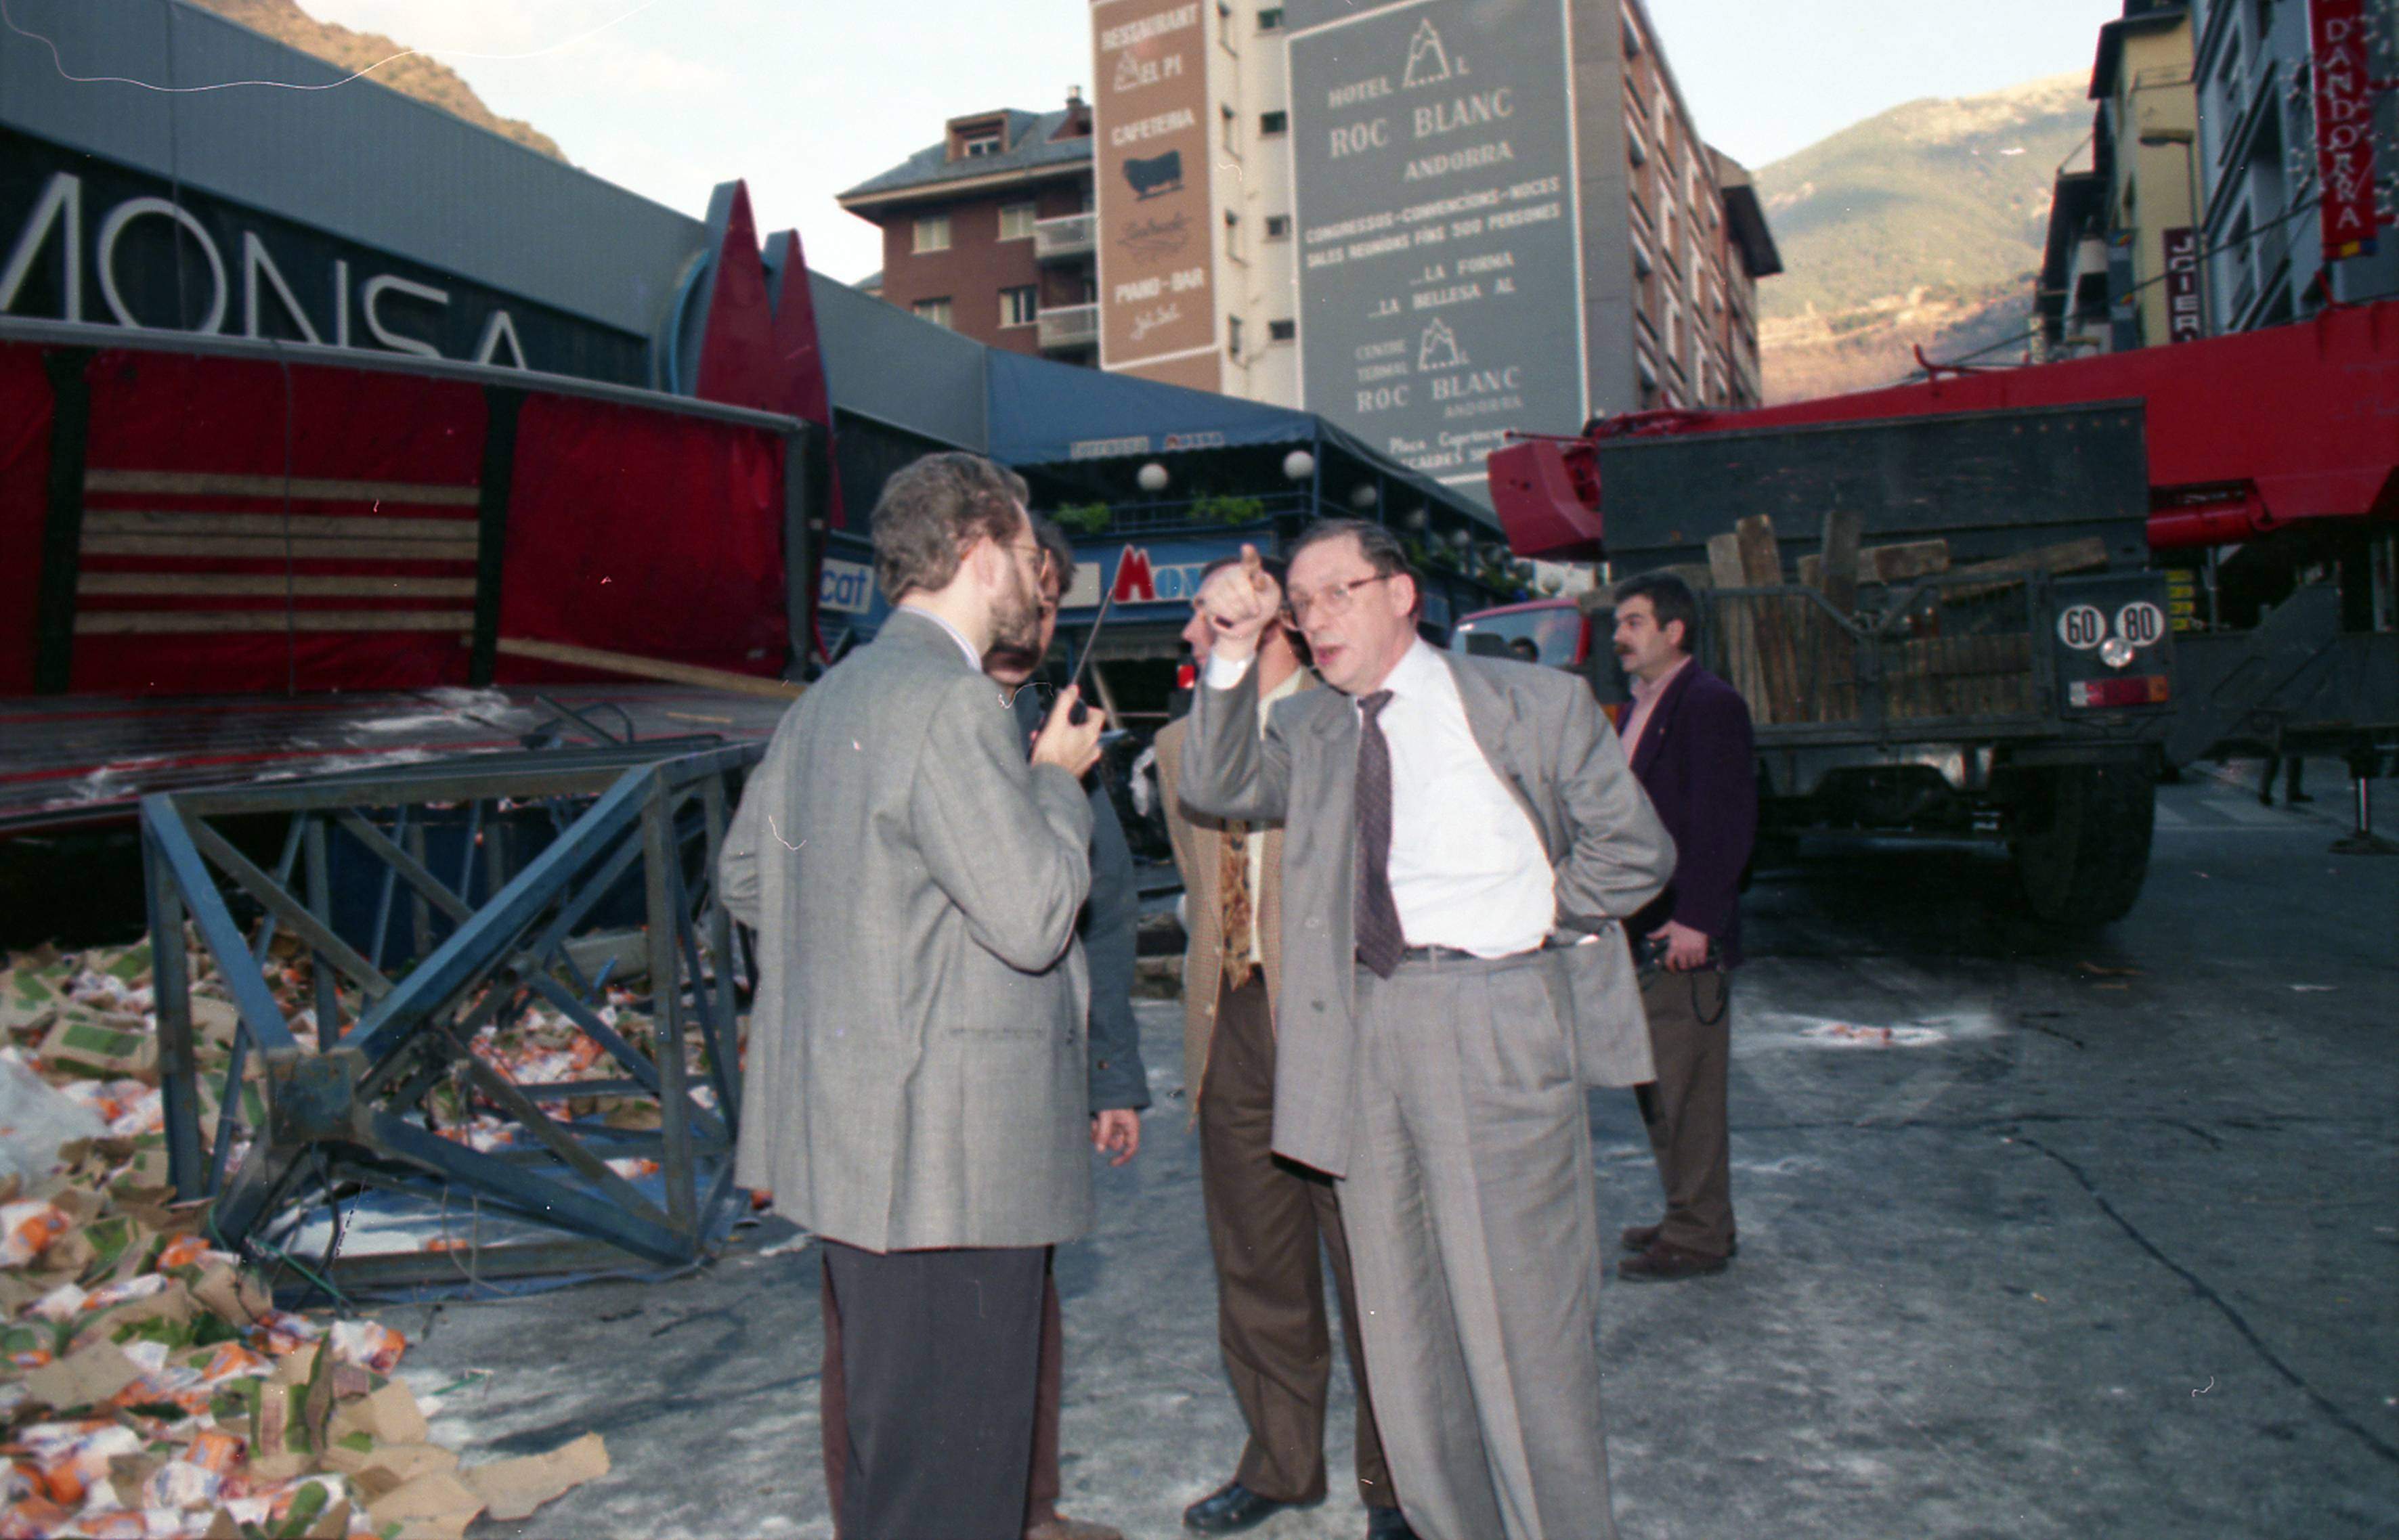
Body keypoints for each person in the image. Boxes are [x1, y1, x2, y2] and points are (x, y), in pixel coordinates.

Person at [1177, 521, 1675, 1540]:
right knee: (1402, 1333)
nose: (1314, 619)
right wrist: (1231, 650)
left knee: (1520, 1328)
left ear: (1401, 593)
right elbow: (1215, 785)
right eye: (1299, 602)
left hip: (1492, 1013)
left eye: (1337, 592)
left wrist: (1537, 918)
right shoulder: (1312, 731)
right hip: (1355, 1028)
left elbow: (1635, 850)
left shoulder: (1530, 702)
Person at [719, 452, 1106, 1540]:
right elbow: (1032, 912)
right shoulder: (949, 703)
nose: (1036, 577)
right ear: (980, 544)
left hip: (856, 1153)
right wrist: (1053, 782)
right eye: (1024, 549)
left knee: (897, 1474)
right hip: (952, 1166)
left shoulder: (829, 697)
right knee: (956, 1496)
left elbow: (748, 878)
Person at [796, 516, 1148, 1540]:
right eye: (1023, 593)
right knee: (892, 1359)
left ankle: (1021, 1510)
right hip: (918, 1108)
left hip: (1008, 1097)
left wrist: (1109, 1072)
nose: (1034, 617)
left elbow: (1105, 905)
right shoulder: (928, 709)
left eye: (1051, 603)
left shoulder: (1045, 716)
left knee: (1010, 1322)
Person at [1152, 556, 1410, 1540]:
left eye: (1207, 614)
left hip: (1338, 1023)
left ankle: (1397, 1481)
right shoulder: (1181, 746)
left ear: (1263, 621)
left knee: (1372, 1264)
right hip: (1232, 1023)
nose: (1189, 631)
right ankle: (1280, 1462)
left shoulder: (1345, 721)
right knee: (1255, 1264)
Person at [1607, 573, 1758, 1283]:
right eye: (1619, 623)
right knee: (1662, 1085)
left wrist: (1698, 918)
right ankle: (1688, 1214)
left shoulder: (1710, 704)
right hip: (1648, 928)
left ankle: (1699, 1235)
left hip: (1681, 933)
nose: (1619, 636)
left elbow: (1726, 822)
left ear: (1676, 631)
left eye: (1634, 622)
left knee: (1686, 1089)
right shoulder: (1645, 706)